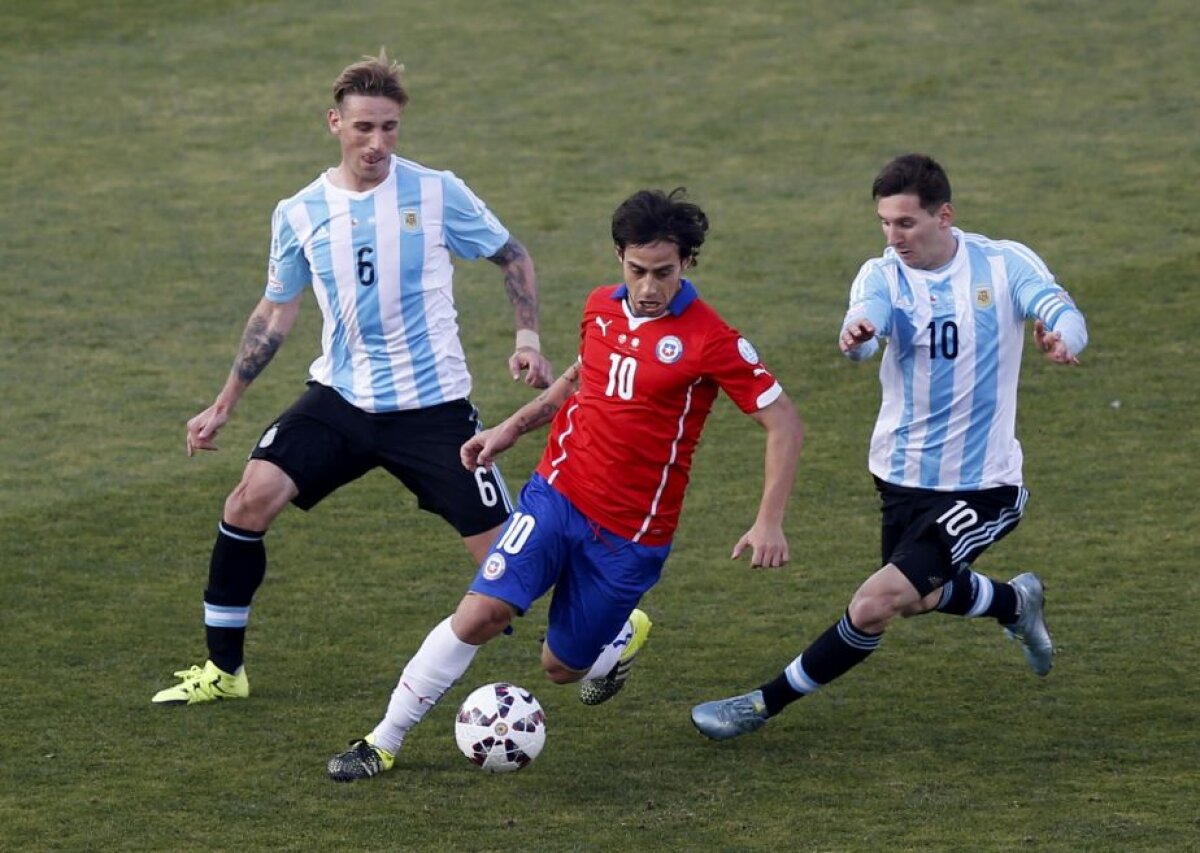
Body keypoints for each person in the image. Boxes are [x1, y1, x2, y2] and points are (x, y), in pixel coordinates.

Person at [325, 187, 805, 781]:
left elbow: (782, 419)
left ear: (686, 264)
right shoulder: (601, 306)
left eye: (663, 273)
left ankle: (619, 636)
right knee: (481, 615)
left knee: (560, 668)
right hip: (557, 493)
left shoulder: (712, 340)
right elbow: (583, 377)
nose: (649, 287)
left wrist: (769, 520)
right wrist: (512, 427)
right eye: (637, 271)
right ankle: (381, 740)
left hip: (631, 535)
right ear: (618, 259)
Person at [152, 51, 554, 706]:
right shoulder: (301, 211)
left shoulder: (435, 190)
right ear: (334, 122)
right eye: (364, 127)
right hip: (341, 398)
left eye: (390, 127)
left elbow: (511, 255)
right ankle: (224, 670)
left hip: (433, 410)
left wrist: (528, 339)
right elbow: (276, 309)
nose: (377, 142)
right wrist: (226, 401)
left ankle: (613, 629)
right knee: (248, 499)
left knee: (506, 566)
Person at [690, 153, 1089, 741]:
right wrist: (858, 336)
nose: (892, 236)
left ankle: (758, 705)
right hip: (901, 476)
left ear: (943, 215)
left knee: (877, 602)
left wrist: (1062, 338)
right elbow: (864, 325)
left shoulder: (1002, 264)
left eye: (905, 223)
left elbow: (1061, 308)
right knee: (922, 598)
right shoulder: (882, 274)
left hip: (983, 485)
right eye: (884, 222)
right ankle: (1014, 604)